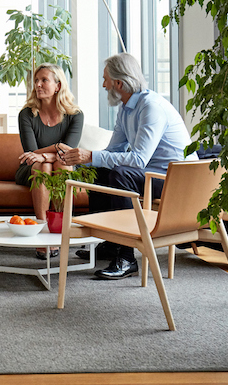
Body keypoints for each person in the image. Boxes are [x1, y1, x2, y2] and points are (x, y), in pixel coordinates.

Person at [61, 52, 196, 280]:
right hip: (155, 174)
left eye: (106, 79)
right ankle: (112, 242)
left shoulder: (150, 107)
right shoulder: (126, 108)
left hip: (176, 180)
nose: (103, 85)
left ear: (119, 83)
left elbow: (139, 160)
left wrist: (91, 155)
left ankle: (126, 257)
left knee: (121, 175)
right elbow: (113, 151)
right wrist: (84, 158)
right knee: (99, 169)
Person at [16, 64, 84, 259]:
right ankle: (42, 231)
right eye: (36, 81)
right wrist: (56, 148)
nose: (38, 84)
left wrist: (48, 154)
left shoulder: (75, 115)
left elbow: (68, 152)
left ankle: (60, 231)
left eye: (44, 80)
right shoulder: (27, 114)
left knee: (61, 164)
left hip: (62, 164)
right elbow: (31, 154)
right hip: (31, 168)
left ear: (58, 85)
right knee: (42, 165)